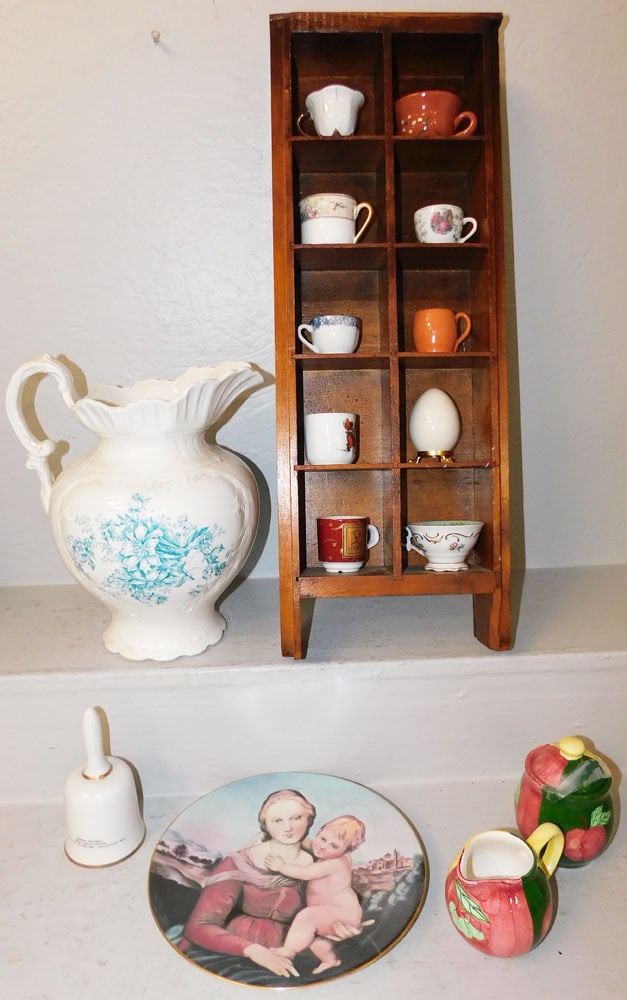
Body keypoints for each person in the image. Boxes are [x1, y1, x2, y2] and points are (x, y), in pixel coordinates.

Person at [179, 788, 316, 978]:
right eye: (278, 820)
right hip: (235, 950)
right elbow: (199, 925)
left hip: (290, 952)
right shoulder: (240, 861)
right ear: (265, 825)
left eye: (296, 817)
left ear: (308, 819)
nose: (288, 827)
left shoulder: (318, 866)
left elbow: (322, 914)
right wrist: (254, 951)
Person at [265, 814, 367, 974]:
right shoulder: (328, 854)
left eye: (334, 846)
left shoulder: (334, 864)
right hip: (338, 912)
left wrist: (281, 866)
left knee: (307, 917)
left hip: (342, 913)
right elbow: (311, 844)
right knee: (313, 939)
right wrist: (294, 836)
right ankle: (330, 960)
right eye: (323, 838)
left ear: (346, 850)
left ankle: (289, 951)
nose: (323, 846)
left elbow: (306, 873)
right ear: (319, 833)